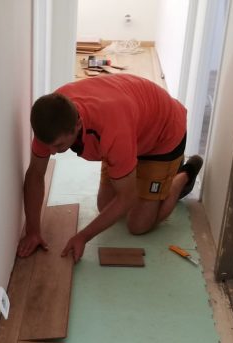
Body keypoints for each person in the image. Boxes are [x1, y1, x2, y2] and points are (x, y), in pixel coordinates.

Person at [19, 74, 203, 263]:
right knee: (105, 205)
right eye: (47, 145)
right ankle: (141, 171)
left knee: (138, 225)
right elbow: (35, 175)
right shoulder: (50, 121)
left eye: (58, 146)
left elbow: (128, 197)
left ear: (78, 125)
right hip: (131, 131)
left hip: (163, 136)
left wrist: (83, 236)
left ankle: (184, 175)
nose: (51, 152)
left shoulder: (112, 132)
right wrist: (33, 231)